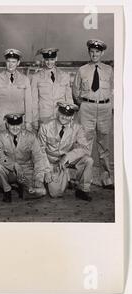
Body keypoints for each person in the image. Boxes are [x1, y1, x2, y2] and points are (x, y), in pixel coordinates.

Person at [72, 39, 114, 189]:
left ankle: (107, 179)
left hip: (104, 108)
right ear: (89, 53)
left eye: (97, 52)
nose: (94, 54)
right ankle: (83, 182)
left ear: (102, 53)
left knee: (104, 145)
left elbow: (113, 90)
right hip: (87, 108)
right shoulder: (82, 70)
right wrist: (83, 104)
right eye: (92, 52)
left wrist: (110, 105)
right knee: (84, 144)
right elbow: (75, 91)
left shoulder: (109, 70)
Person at [38, 102, 94, 201]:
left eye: (68, 115)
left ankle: (83, 190)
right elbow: (39, 151)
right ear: (57, 113)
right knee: (55, 193)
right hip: (50, 161)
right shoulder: (45, 126)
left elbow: (85, 148)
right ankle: (59, 179)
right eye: (62, 113)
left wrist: (67, 157)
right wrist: (46, 171)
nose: (64, 117)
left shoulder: (77, 128)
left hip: (65, 161)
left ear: (72, 116)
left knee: (88, 160)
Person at [0, 113, 48, 202]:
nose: (15, 128)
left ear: (22, 124)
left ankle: (22, 189)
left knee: (41, 192)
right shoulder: (0, 136)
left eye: (18, 124)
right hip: (9, 170)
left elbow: (38, 158)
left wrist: (39, 178)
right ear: (7, 124)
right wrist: (14, 165)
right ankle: (7, 190)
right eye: (12, 124)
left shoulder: (31, 136)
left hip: (26, 170)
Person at [0, 49, 33, 131]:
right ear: (5, 62)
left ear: (18, 63)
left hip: (18, 124)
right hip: (1, 123)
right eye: (8, 61)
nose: (10, 64)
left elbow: (28, 103)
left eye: (13, 62)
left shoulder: (25, 79)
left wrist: (28, 122)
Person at [30, 48, 73, 129]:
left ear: (56, 58)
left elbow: (69, 98)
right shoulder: (36, 77)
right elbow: (34, 101)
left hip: (61, 116)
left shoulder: (65, 76)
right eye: (47, 60)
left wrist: (70, 116)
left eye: (52, 59)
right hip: (44, 116)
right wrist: (34, 119)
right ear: (43, 59)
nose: (49, 62)